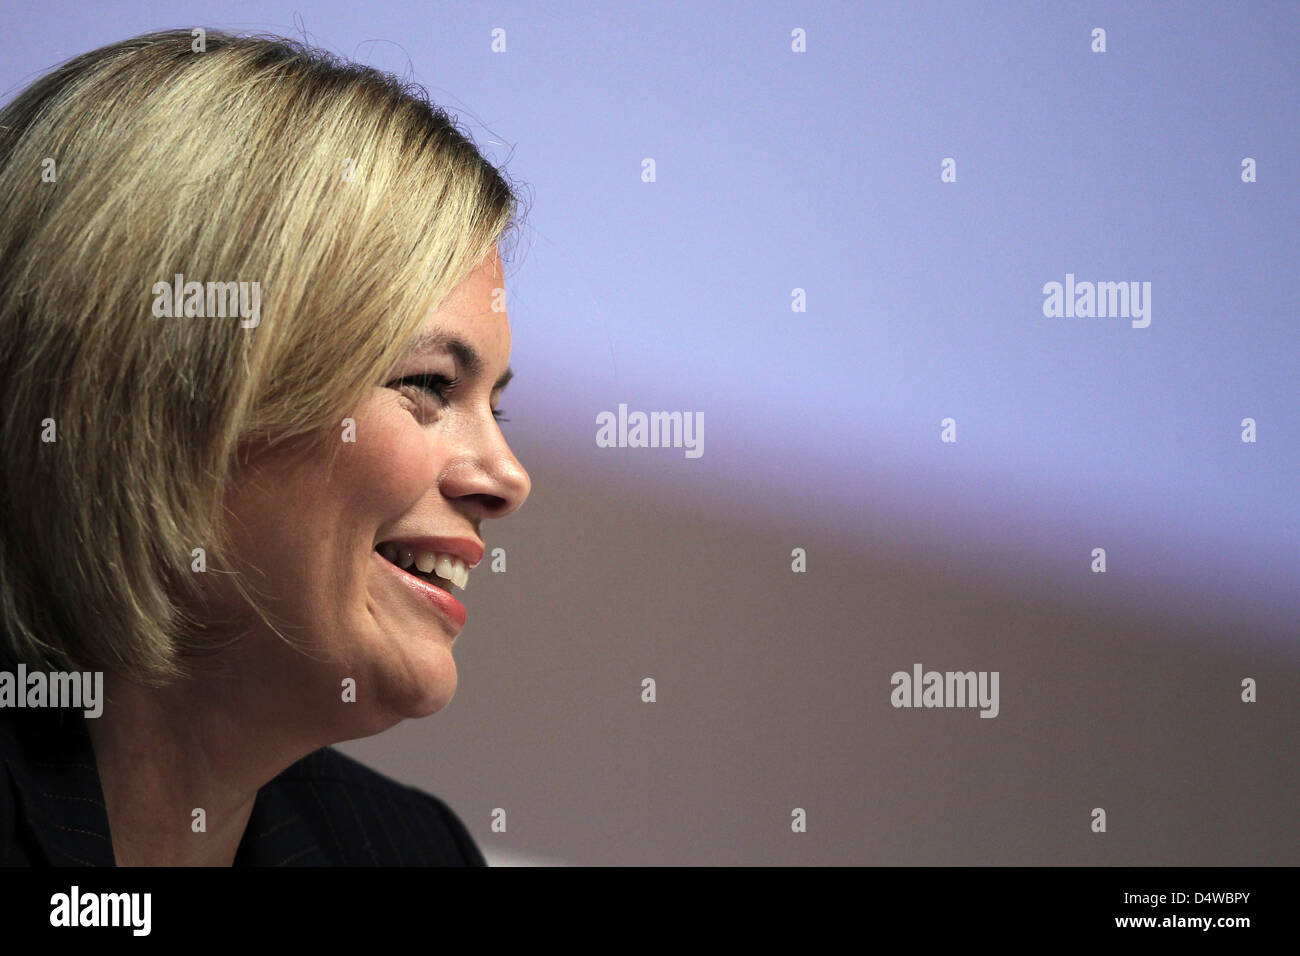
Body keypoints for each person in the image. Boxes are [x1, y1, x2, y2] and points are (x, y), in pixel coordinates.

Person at [0, 28, 531, 866]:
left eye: (497, 406)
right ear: (169, 390)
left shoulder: (407, 854)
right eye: (430, 385)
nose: (508, 478)